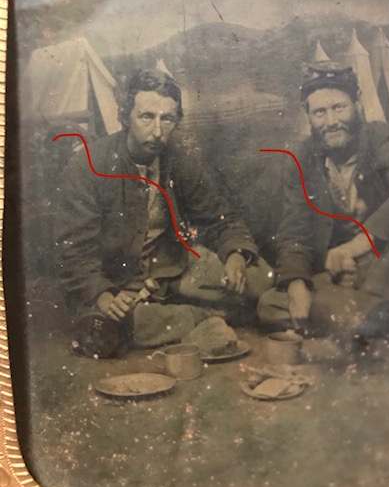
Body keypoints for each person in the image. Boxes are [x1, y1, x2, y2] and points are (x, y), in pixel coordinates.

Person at [56, 68, 271, 358]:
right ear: (125, 116)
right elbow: (74, 253)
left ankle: (184, 313)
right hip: (117, 284)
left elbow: (220, 217)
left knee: (260, 278)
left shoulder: (178, 160)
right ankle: (204, 316)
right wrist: (102, 294)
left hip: (170, 266)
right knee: (111, 328)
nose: (157, 132)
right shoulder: (88, 166)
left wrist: (235, 254)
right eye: (146, 117)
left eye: (167, 119)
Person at [257, 62, 389, 343]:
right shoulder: (302, 158)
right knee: (271, 303)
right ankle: (363, 321)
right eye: (319, 112)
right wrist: (296, 284)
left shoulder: (383, 140)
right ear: (308, 115)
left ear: (357, 104)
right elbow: (294, 232)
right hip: (340, 277)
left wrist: (355, 248)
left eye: (339, 108)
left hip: (387, 267)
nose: (331, 122)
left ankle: (360, 319)